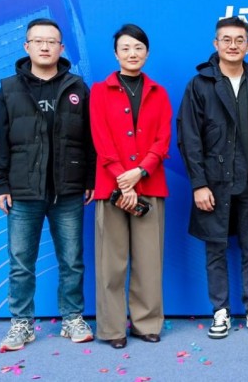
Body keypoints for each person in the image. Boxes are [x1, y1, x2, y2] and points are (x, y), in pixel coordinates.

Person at [0, 18, 95, 353]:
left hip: (68, 190)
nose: (45, 47)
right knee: (21, 262)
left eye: (52, 42)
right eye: (38, 41)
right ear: (27, 46)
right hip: (23, 191)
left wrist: (90, 179)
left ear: (62, 48)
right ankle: (22, 323)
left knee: (72, 260)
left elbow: (90, 140)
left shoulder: (78, 87)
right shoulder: (9, 89)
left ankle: (72, 318)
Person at [177, 16, 248, 339]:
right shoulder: (200, 84)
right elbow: (189, 138)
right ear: (216, 44)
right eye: (226, 39)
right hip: (214, 182)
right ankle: (220, 310)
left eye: (239, 40)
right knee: (216, 248)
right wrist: (199, 184)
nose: (233, 45)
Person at [90, 24, 172, 349]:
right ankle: (112, 328)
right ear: (116, 54)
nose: (132, 53)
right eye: (125, 48)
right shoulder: (99, 91)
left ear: (147, 53)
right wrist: (123, 179)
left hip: (149, 184)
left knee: (149, 261)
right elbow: (100, 138)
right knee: (110, 262)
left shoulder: (159, 92)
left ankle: (147, 323)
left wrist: (140, 172)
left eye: (138, 48)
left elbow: (163, 140)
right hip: (110, 186)